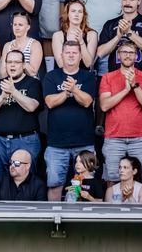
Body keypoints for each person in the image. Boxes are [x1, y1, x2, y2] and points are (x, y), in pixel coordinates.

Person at [44, 41, 96, 201]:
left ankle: (84, 217)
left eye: (75, 53)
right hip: (56, 143)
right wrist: (67, 92)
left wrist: (74, 89)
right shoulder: (52, 76)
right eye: (68, 52)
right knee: (55, 185)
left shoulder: (88, 77)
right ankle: (54, 215)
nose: (71, 55)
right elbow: (50, 102)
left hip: (84, 142)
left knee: (86, 186)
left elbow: (87, 102)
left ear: (80, 56)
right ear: (61, 55)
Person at [0, 50, 43, 179]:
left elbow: (31, 107)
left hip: (25, 141)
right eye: (9, 62)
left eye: (16, 62)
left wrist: (14, 92)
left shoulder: (33, 83)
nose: (12, 65)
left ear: (23, 65)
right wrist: (2, 97)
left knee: (25, 182)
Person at [100, 41, 142, 183]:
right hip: (114, 138)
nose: (128, 55)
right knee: (112, 180)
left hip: (140, 138)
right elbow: (104, 106)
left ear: (137, 56)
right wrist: (125, 90)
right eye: (124, 52)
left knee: (141, 179)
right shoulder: (108, 77)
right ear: (118, 55)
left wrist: (134, 86)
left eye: (131, 53)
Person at [76, 0, 127, 79]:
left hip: (107, 45)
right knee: (82, 77)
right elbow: (74, 8)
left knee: (104, 78)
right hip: (85, 41)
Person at [98, 0, 142, 73]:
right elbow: (100, 53)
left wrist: (129, 33)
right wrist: (118, 37)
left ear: (139, 1)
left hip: (141, 76)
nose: (127, 2)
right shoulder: (110, 24)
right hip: (115, 76)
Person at [52, 0, 98, 70]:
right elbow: (61, 64)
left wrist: (81, 41)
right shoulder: (58, 35)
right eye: (73, 11)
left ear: (83, 15)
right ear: (68, 14)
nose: (77, 15)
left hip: (83, 74)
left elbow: (88, 63)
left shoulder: (92, 34)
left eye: (80, 12)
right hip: (63, 75)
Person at [0, 13, 43, 78]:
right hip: (11, 81)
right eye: (15, 24)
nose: (17, 28)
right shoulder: (7, 45)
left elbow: (32, 73)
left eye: (20, 25)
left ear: (28, 27)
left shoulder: (34, 44)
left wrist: (18, 54)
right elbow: (3, 74)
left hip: (29, 82)